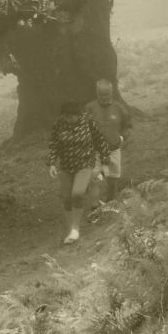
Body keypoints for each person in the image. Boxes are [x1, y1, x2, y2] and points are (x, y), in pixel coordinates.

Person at [47, 101, 111, 245]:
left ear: (79, 114)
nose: (71, 119)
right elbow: (53, 144)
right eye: (67, 116)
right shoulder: (59, 125)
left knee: (77, 193)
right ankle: (70, 230)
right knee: (66, 198)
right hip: (66, 166)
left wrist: (105, 162)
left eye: (73, 116)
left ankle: (76, 228)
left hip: (84, 164)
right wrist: (51, 163)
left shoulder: (88, 122)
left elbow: (100, 141)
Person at [84, 78, 133, 203]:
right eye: (101, 94)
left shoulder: (119, 108)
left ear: (111, 93)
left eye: (106, 94)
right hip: (95, 151)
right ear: (97, 93)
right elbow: (82, 126)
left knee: (112, 179)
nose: (104, 97)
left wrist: (122, 137)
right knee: (94, 178)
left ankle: (110, 202)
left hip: (113, 149)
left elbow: (127, 126)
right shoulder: (90, 108)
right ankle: (95, 206)